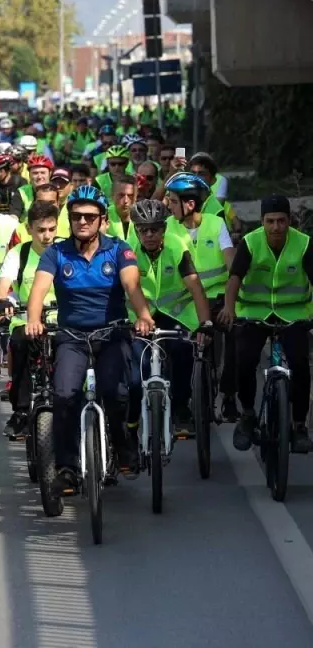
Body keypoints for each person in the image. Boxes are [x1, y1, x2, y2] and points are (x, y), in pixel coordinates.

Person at [25, 185, 155, 489]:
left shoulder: (118, 249)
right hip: (71, 337)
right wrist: (33, 319)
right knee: (65, 394)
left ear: (102, 220)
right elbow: (39, 289)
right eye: (76, 216)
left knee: (114, 392)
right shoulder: (56, 252)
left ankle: (124, 448)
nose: (82, 222)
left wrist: (144, 315)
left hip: (111, 334)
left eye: (89, 216)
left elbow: (132, 286)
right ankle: (67, 467)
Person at [221, 195, 313, 453]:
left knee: (299, 363)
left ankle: (298, 426)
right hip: (254, 312)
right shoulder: (251, 243)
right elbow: (234, 278)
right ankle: (248, 414)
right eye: (270, 221)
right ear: (262, 222)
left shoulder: (304, 243)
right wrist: (229, 308)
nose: (275, 227)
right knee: (245, 359)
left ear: (289, 221)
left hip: (294, 313)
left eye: (281, 221)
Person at [126, 199, 212, 436]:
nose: (150, 235)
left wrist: (205, 324)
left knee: (183, 350)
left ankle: (181, 408)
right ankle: (131, 425)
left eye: (155, 229)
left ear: (164, 229)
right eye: (144, 230)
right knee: (135, 373)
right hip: (139, 317)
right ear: (136, 231)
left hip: (176, 315)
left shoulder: (177, 246)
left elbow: (196, 289)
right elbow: (125, 287)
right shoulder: (128, 251)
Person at [164, 171, 235, 417]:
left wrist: (229, 303)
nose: (168, 205)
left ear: (190, 204)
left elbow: (231, 262)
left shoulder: (216, 223)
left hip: (216, 299)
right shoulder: (167, 226)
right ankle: (180, 403)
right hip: (183, 304)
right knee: (177, 349)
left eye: (172, 201)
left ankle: (229, 395)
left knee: (237, 336)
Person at [0, 202, 59, 438]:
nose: (47, 236)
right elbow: (3, 286)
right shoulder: (18, 253)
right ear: (29, 229)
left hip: (60, 321)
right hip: (25, 321)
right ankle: (21, 412)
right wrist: (3, 301)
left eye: (52, 229)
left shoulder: (65, 250)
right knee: (19, 344)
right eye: (41, 230)